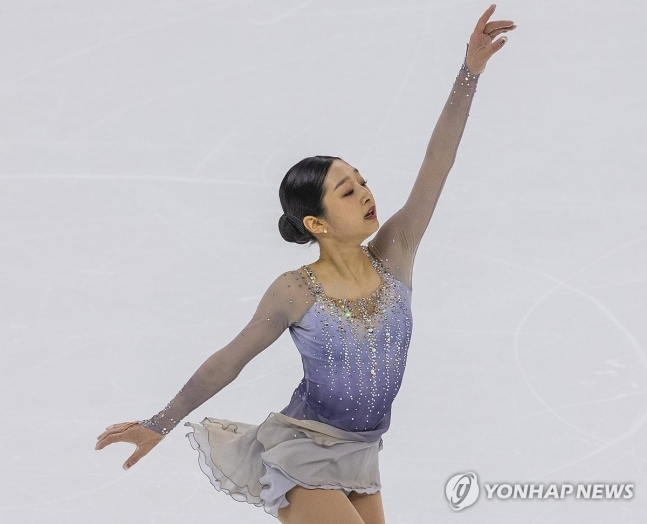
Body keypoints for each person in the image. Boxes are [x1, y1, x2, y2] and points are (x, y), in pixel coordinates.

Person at [95, 5, 516, 523]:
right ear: (315, 223)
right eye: (346, 191)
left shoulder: (396, 251)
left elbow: (438, 162)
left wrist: (469, 72)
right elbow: (231, 359)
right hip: (304, 449)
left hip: (362, 451)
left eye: (361, 181)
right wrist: (159, 422)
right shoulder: (298, 291)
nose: (365, 193)